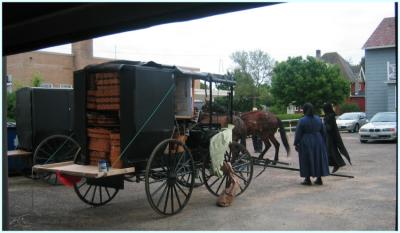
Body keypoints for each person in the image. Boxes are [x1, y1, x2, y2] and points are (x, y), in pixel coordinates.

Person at [294, 103, 329, 185]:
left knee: (307, 159)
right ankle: (319, 178)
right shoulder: (318, 119)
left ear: (304, 110)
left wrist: (296, 143)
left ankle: (307, 179)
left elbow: (298, 133)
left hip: (306, 142)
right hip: (318, 141)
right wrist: (323, 141)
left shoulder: (302, 120)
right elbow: (323, 132)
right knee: (318, 159)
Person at [322, 103, 352, 173]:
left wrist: (324, 125)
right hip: (329, 137)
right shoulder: (329, 116)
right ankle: (337, 164)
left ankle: (338, 164)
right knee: (331, 152)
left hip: (331, 137)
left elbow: (329, 128)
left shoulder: (329, 117)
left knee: (331, 152)